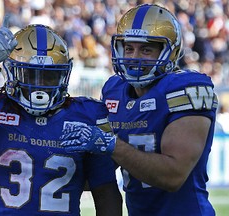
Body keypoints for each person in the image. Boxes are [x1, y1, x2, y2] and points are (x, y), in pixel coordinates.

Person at [0, 16, 122, 216]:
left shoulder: (85, 115)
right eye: (30, 74)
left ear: (63, 75)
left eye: (48, 76)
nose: (39, 85)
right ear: (12, 74)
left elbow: (105, 191)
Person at [60, 4, 218, 216]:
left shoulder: (185, 89)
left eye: (146, 49)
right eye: (129, 48)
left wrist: (109, 144)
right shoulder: (114, 90)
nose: (134, 57)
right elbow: (99, 175)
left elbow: (173, 176)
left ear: (169, 53)